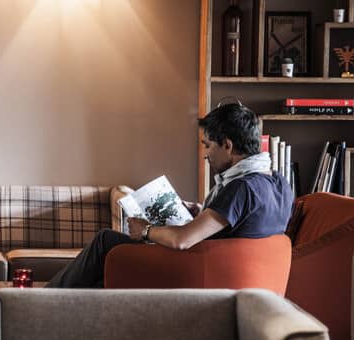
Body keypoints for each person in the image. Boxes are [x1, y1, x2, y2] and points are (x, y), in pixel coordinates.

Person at [46, 102, 293, 288]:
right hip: (232, 274)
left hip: (197, 272)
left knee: (105, 242)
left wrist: (145, 230)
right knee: (100, 277)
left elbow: (182, 240)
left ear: (228, 145)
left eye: (208, 145)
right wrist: (201, 211)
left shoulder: (241, 188)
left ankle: (45, 301)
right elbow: (243, 224)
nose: (206, 155)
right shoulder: (279, 182)